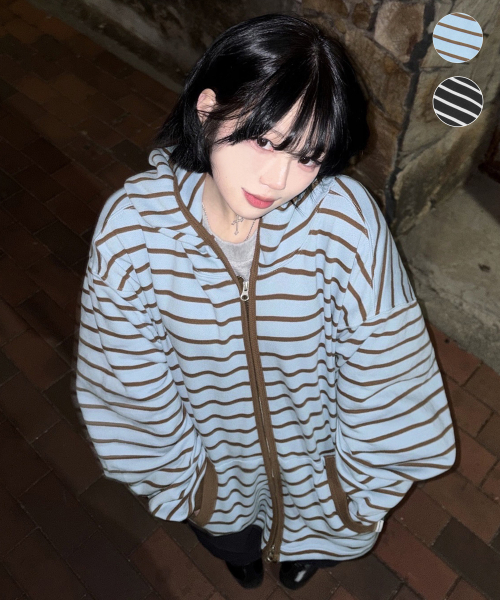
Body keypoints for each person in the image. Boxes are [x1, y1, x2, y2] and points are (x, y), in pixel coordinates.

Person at [75, 13, 456, 591]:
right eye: (265, 140)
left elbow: (390, 376)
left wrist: (354, 497)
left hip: (326, 491)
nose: (279, 178)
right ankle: (240, 550)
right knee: (233, 541)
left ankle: (308, 552)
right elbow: (128, 393)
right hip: (214, 486)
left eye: (309, 156)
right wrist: (193, 490)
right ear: (208, 110)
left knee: (318, 543)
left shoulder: (347, 223)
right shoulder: (131, 235)